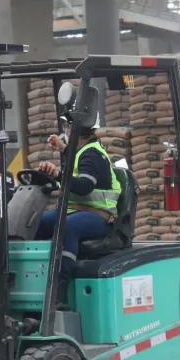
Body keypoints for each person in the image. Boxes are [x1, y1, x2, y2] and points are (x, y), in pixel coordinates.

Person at [35, 113, 121, 305]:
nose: (65, 129)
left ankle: (59, 285)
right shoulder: (82, 151)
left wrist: (58, 174)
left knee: (68, 226)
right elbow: (76, 161)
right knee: (37, 222)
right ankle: (34, 275)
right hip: (76, 210)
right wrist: (63, 150)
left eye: (68, 125)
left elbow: (84, 186)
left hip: (99, 216)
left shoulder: (93, 153)